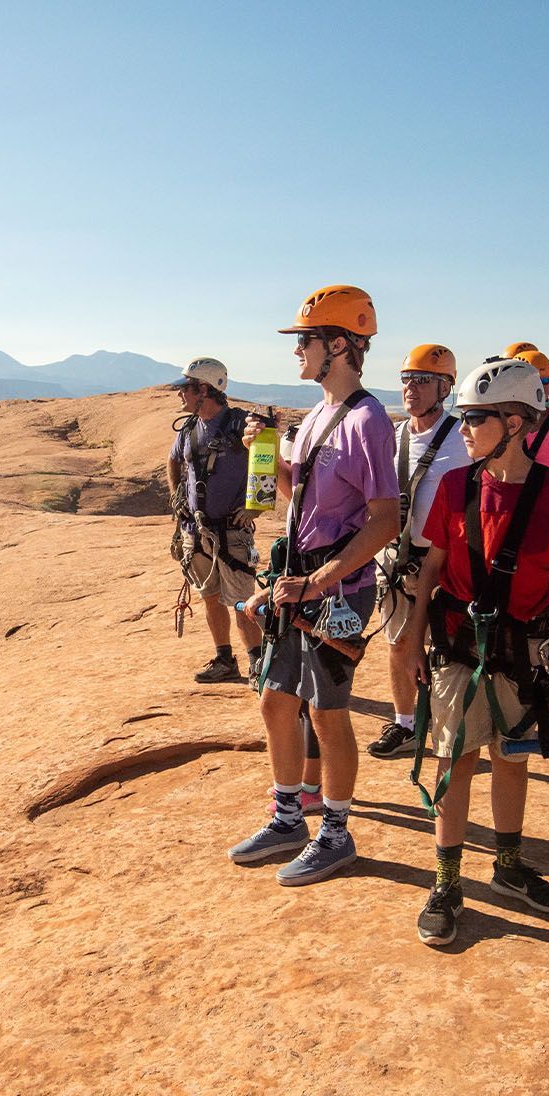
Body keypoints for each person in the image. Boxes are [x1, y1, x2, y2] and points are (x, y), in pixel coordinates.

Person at [399, 358, 549, 945]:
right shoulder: (457, 486)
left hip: (522, 649)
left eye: (475, 418)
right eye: (463, 417)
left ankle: (507, 865)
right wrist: (413, 635)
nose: (463, 428)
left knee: (512, 758)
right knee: (454, 758)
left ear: (514, 423)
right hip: (461, 647)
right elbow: (433, 565)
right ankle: (447, 880)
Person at [228, 285, 400, 884]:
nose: (297, 350)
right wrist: (266, 456)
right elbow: (292, 500)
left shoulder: (368, 421)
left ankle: (335, 831)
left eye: (305, 340)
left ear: (341, 345)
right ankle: (287, 817)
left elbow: (385, 519)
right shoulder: (316, 418)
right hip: (298, 580)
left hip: (334, 588)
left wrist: (322, 580)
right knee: (277, 700)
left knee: (328, 711)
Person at [370, 344, 470, 758]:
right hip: (398, 560)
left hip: (443, 561)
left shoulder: (461, 441)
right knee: (398, 644)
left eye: (423, 381)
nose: (411, 388)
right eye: (407, 380)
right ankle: (405, 722)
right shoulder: (394, 438)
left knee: (447, 648)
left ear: (444, 387)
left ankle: (452, 726)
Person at [165, 358, 262, 682]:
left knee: (241, 602)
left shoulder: (241, 425)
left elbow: (265, 462)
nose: (181, 396)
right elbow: (173, 460)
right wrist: (178, 500)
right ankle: (225, 659)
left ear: (203, 390)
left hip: (232, 533)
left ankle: (258, 663)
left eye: (185, 389)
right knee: (209, 596)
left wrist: (256, 508)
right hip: (197, 530)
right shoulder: (190, 429)